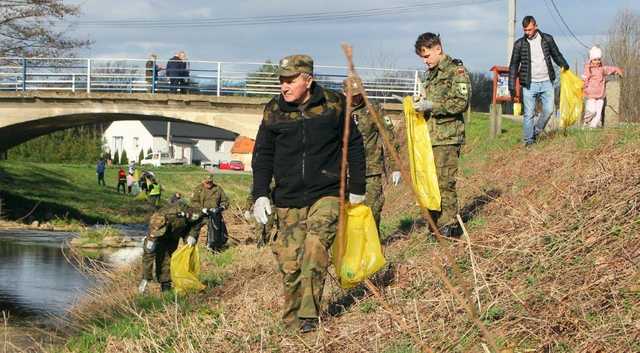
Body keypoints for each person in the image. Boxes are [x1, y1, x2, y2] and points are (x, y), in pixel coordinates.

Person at [251, 54, 366, 333]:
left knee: (315, 249)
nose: (284, 86)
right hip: (287, 199)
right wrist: (260, 194)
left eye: (291, 80)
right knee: (290, 266)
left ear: (308, 79)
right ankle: (291, 325)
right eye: (282, 81)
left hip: (326, 193)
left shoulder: (334, 104)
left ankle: (308, 317)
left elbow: (354, 144)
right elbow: (263, 154)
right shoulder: (273, 110)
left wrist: (357, 189)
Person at [413, 33, 471, 237]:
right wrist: (421, 104)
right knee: (431, 183)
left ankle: (450, 227)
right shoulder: (431, 74)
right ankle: (435, 227)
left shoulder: (456, 71)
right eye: (422, 57)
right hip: (430, 137)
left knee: (444, 183)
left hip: (447, 137)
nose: (425, 60)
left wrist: (432, 106)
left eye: (427, 55)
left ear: (438, 49)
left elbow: (460, 103)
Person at [342, 77, 401, 227]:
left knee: (372, 210)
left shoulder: (374, 109)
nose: (356, 98)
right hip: (343, 172)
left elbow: (389, 137)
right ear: (344, 93)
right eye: (352, 95)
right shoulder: (337, 110)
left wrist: (396, 167)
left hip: (370, 170)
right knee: (342, 214)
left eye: (359, 94)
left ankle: (373, 245)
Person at [508, 15, 570, 146]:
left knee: (549, 110)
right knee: (528, 114)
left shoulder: (547, 39)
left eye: (529, 30)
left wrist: (564, 65)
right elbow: (513, 65)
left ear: (536, 26)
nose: (527, 33)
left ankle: (535, 132)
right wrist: (512, 86)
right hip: (529, 84)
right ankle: (528, 142)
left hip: (547, 82)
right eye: (525, 30)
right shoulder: (519, 44)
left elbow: (556, 54)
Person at [138, 200, 201, 293]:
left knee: (185, 255)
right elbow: (148, 254)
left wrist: (192, 235)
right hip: (166, 237)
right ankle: (166, 287)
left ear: (167, 222)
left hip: (181, 230)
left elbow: (197, 220)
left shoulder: (179, 212)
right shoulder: (154, 228)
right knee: (163, 258)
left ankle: (189, 282)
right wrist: (145, 278)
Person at [582, 46, 623, 128]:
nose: (597, 61)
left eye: (598, 59)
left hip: (600, 96)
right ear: (591, 60)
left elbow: (610, 69)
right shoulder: (588, 69)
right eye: (595, 59)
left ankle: (592, 128)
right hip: (590, 95)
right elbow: (585, 80)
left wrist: (617, 70)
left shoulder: (602, 69)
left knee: (598, 114)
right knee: (591, 111)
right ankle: (586, 122)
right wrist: (583, 87)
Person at [190, 174, 230, 251]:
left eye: (210, 182)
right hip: (201, 214)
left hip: (214, 214)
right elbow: (193, 202)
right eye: (207, 182)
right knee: (194, 228)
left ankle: (212, 246)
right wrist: (202, 209)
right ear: (203, 181)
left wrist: (221, 207)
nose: (209, 184)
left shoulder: (218, 189)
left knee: (216, 230)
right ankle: (191, 245)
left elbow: (225, 201)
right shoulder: (198, 189)